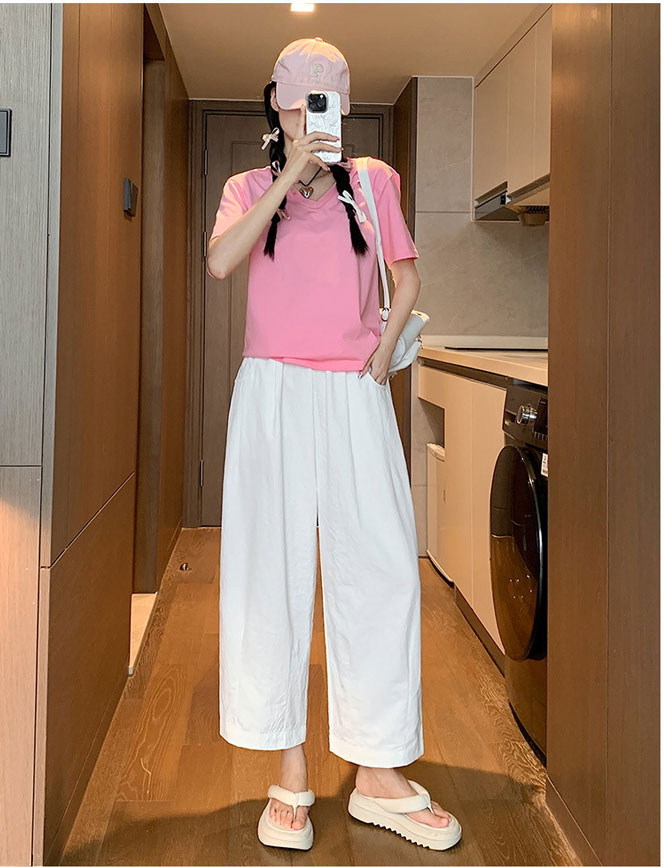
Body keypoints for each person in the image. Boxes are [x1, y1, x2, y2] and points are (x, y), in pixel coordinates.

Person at [207, 36, 462, 853]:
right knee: (270, 574)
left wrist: (383, 351)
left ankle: (378, 771)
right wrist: (287, 177)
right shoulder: (247, 187)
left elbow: (406, 275)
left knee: (382, 567)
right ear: (275, 106)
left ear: (341, 108)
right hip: (272, 392)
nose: (306, 117)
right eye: (294, 103)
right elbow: (221, 262)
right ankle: (290, 771)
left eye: (321, 104)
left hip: (354, 390)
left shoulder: (375, 181)